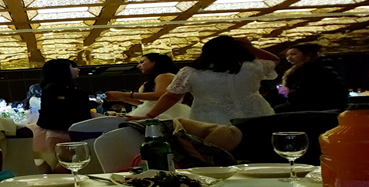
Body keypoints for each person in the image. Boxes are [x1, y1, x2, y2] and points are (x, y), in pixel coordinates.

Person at [133, 35, 280, 125]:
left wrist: (148, 116)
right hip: (256, 115)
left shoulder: (191, 72)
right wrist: (250, 47)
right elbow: (275, 60)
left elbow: (171, 96)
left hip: (211, 119)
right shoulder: (252, 67)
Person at [33, 59, 99, 171]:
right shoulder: (56, 88)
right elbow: (67, 109)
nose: (77, 69)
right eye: (73, 67)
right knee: (66, 163)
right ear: (62, 70)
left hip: (66, 130)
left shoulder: (60, 88)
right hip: (62, 130)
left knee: (66, 162)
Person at [104, 53, 190, 120]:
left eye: (142, 62)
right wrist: (122, 97)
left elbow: (161, 95)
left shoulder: (164, 75)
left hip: (165, 112)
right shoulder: (158, 77)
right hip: (158, 111)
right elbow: (145, 103)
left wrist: (126, 95)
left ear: (155, 62)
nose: (138, 66)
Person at [274, 43, 348, 113]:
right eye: (287, 55)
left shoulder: (314, 70)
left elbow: (304, 95)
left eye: (293, 54)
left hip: (319, 106)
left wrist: (290, 94)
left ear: (308, 55)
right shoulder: (301, 70)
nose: (289, 58)